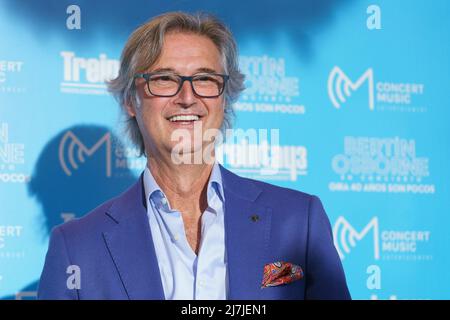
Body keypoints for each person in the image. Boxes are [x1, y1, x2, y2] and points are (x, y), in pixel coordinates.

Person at [38, 11, 350, 300]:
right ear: (131, 101)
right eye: (164, 79)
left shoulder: (299, 220)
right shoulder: (77, 248)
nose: (187, 97)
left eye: (204, 79)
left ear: (224, 100)